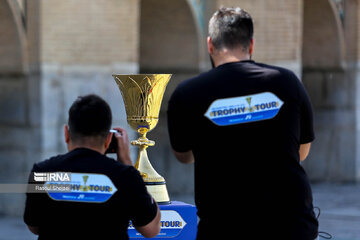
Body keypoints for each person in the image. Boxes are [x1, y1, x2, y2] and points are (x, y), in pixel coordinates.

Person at [167, 7, 319, 240]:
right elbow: (302, 151)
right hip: (291, 226)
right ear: (251, 45)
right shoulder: (287, 82)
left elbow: (184, 155)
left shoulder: (188, 93)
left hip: (224, 228)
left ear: (210, 44)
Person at [24, 94, 160, 240]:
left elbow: (34, 226)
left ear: (66, 134)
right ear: (108, 139)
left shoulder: (42, 172)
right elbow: (151, 229)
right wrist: (126, 162)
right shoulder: (126, 176)